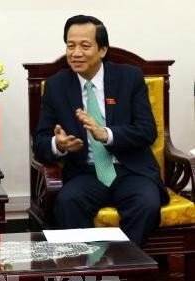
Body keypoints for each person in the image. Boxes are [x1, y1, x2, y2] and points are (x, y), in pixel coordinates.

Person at [33, 15, 169, 246]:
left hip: (130, 170)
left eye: (85, 46)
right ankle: (87, 266)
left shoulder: (129, 78)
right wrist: (59, 145)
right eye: (70, 45)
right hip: (86, 173)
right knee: (67, 202)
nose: (76, 53)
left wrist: (107, 134)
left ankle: (120, 266)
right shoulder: (56, 86)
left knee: (146, 205)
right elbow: (40, 141)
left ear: (103, 49)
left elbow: (147, 131)